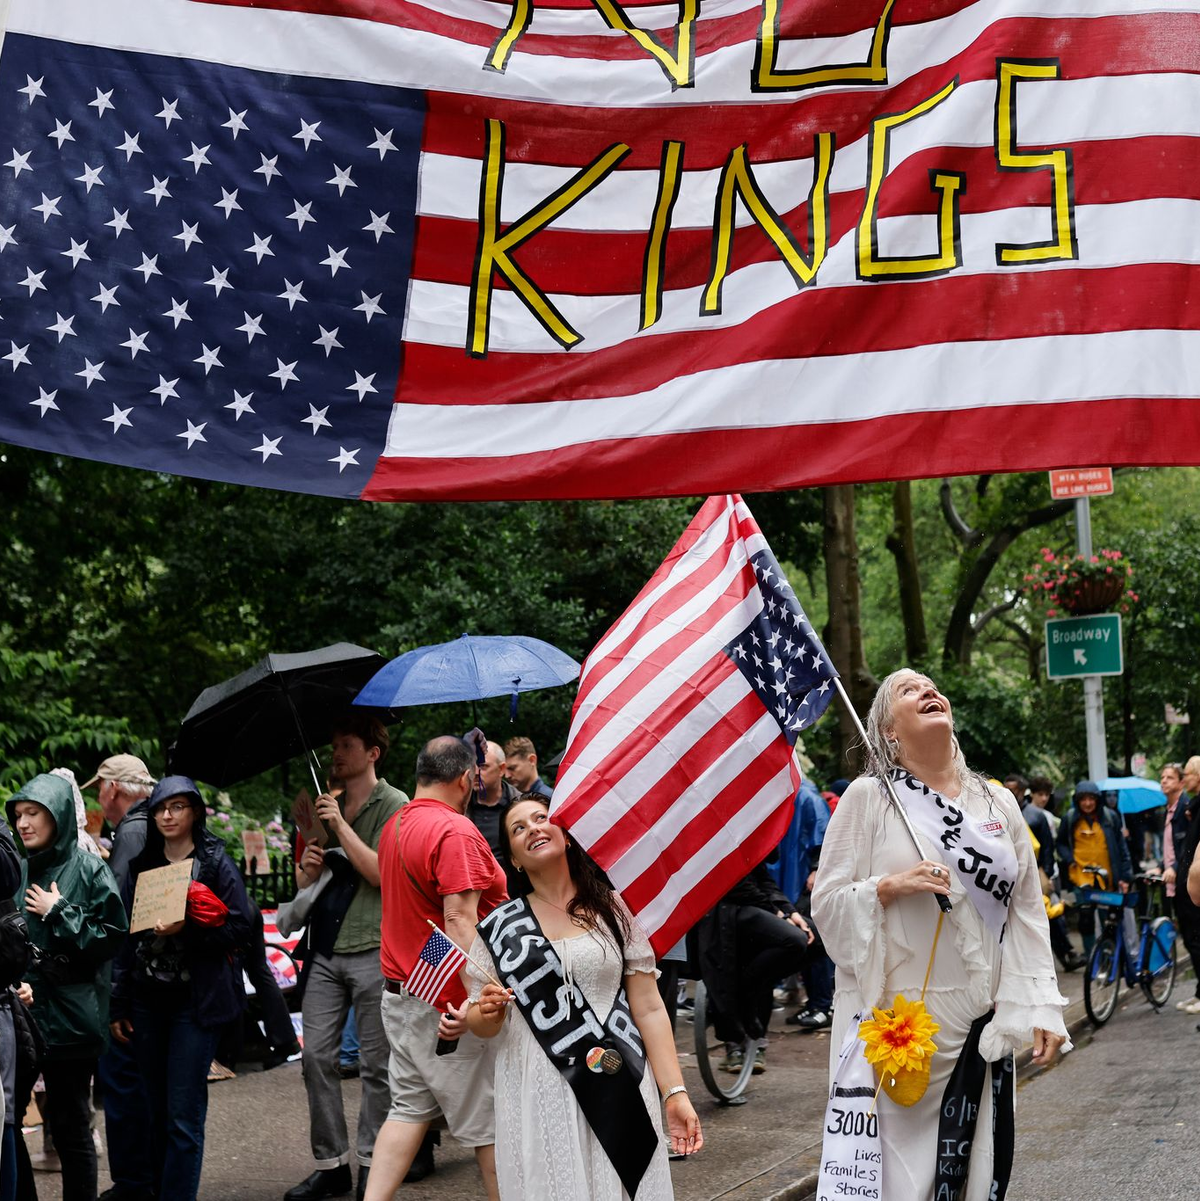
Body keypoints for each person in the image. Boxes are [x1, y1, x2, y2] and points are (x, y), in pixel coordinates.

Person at [812, 670, 1069, 1201]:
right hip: (899, 1030)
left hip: (981, 1019)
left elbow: (1025, 910)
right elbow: (827, 904)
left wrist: (1042, 1005)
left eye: (931, 686)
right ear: (888, 731)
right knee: (902, 1183)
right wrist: (887, 886)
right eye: (909, 691)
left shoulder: (997, 804)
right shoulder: (869, 798)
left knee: (977, 1172)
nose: (928, 692)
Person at [467, 795, 702, 1199]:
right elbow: (479, 1020)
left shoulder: (614, 909)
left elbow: (647, 1006)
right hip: (538, 1083)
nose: (533, 829)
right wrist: (486, 1012)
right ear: (516, 861)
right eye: (518, 828)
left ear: (567, 836)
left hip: (619, 1075)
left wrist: (675, 1092)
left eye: (542, 818)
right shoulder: (501, 927)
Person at [365, 736, 508, 1201]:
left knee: (408, 1109)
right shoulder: (455, 831)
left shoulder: (394, 825)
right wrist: (475, 1000)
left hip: (402, 991)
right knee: (487, 1123)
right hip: (445, 1001)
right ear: (466, 778)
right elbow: (458, 919)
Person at [109, 776, 251, 1201]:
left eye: (177, 807)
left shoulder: (213, 861)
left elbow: (241, 928)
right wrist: (119, 1003)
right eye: (159, 808)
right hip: (148, 1001)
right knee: (153, 1112)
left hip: (196, 1004)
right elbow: (126, 938)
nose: (167, 815)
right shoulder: (144, 864)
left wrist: (187, 929)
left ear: (195, 811)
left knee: (182, 1117)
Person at [286, 715, 408, 1201]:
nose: (336, 753)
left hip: (375, 946)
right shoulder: (324, 803)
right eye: (333, 744)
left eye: (346, 744)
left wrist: (341, 827)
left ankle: (370, 1169)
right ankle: (330, 1165)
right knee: (316, 1057)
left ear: (372, 752)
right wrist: (308, 865)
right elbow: (303, 885)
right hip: (326, 948)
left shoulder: (394, 803)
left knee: (377, 1067)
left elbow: (381, 873)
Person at [8, 774, 128, 1201]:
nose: (23, 823)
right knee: (9, 1121)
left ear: (56, 816)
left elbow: (113, 936)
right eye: (19, 814)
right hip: (23, 1014)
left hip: (71, 1016)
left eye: (33, 813)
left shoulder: (89, 866)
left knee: (71, 1125)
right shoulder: (15, 867)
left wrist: (59, 910)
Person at [83, 754, 157, 1201]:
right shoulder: (154, 823)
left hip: (128, 979)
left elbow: (117, 916)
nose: (98, 797)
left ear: (112, 788)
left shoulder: (131, 830)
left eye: (99, 789)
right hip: (154, 974)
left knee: (124, 1084)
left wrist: (116, 995)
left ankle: (133, 1183)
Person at [697, 861, 812, 1073]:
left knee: (806, 940)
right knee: (791, 941)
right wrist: (778, 913)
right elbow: (734, 883)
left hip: (755, 909)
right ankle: (735, 1045)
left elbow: (763, 878)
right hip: (721, 913)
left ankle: (756, 1039)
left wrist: (788, 911)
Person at [1057, 780, 1133, 957]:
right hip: (1081, 877)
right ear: (1077, 801)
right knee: (1085, 918)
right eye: (1083, 799)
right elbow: (1060, 844)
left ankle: (1111, 955)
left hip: (1107, 878)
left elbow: (1122, 848)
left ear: (1098, 799)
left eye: (1091, 799)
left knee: (1108, 918)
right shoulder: (1069, 819)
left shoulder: (1110, 817)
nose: (1088, 803)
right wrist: (1069, 859)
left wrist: (1126, 875)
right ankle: (1092, 956)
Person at [1170, 757, 1200, 1014]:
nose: (1184, 779)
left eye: (1187, 775)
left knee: (1195, 939)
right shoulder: (1193, 808)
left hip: (1193, 889)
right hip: (1188, 885)